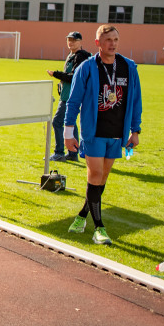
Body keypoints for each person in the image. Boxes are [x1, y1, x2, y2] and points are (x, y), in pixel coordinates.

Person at [63, 24, 142, 246]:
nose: (112, 44)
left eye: (115, 39)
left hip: (117, 134)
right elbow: (74, 101)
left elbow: (135, 101)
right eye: (108, 40)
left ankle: (81, 216)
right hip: (93, 133)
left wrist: (135, 131)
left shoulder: (129, 67)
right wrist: (68, 133)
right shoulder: (87, 68)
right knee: (95, 175)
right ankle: (99, 228)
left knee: (101, 179)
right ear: (98, 43)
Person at [46, 31, 91, 161]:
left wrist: (56, 74)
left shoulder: (80, 56)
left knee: (57, 122)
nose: (70, 42)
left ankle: (59, 152)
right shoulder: (72, 55)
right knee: (71, 123)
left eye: (74, 40)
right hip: (67, 95)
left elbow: (74, 77)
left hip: (71, 97)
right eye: (69, 40)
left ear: (80, 42)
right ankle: (72, 154)